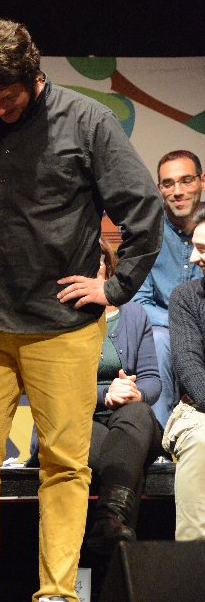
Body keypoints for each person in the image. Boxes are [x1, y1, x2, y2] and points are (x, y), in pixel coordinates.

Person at [0, 19, 164, 602]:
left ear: (34, 76)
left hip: (61, 327)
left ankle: (56, 594)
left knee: (65, 465)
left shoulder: (87, 121)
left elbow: (143, 211)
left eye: (9, 97)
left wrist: (114, 288)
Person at [26, 240, 164, 556]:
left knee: (139, 413)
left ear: (106, 266)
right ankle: (115, 534)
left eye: (95, 261)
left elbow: (152, 380)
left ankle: (107, 521)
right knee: (126, 456)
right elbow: (53, 386)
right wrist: (105, 395)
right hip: (75, 419)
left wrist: (135, 392)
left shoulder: (133, 313)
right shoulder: (53, 315)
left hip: (129, 418)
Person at [133, 150, 205, 429]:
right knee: (160, 340)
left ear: (201, 181)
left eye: (186, 180)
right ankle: (161, 439)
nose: (178, 191)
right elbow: (139, 303)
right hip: (163, 330)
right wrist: (183, 326)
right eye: (168, 183)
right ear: (159, 188)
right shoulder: (146, 232)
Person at [163, 207, 205, 540]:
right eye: (193, 246)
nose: (192, 257)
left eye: (202, 249)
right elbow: (190, 369)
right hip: (200, 410)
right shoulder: (187, 297)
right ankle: (194, 558)